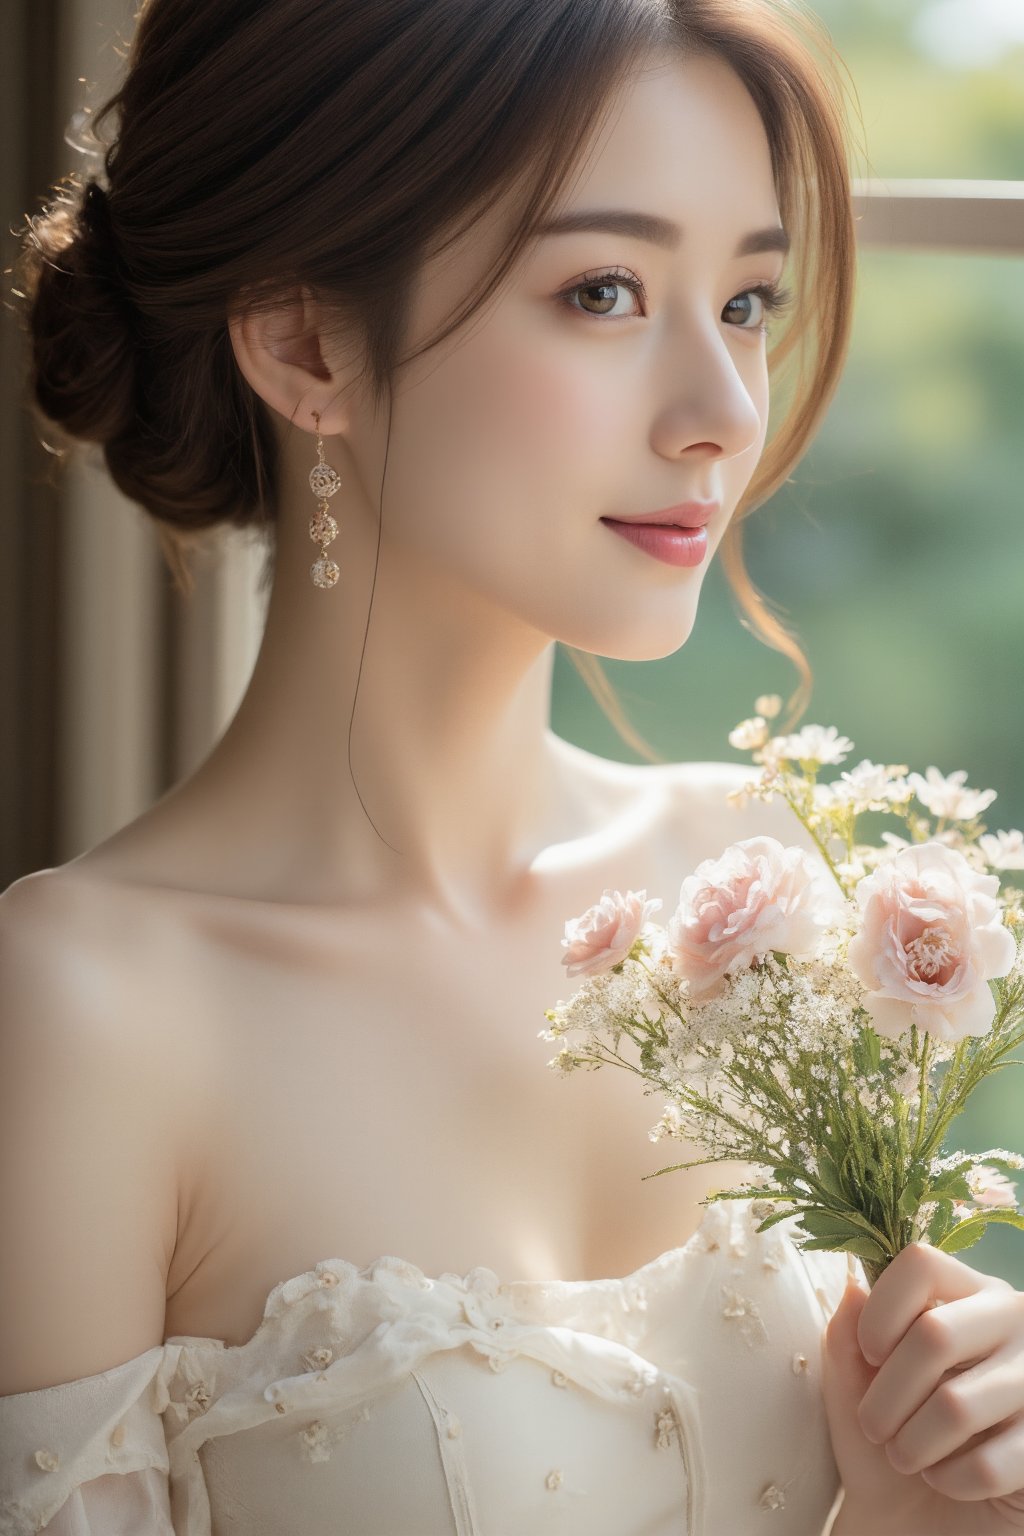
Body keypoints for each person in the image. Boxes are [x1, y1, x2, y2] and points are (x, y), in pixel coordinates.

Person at [4, 1, 1024, 1533]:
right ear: (304, 342)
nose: (722, 414)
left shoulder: (759, 897)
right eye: (605, 291)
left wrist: (939, 1498)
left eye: (746, 301)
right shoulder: (85, 1014)